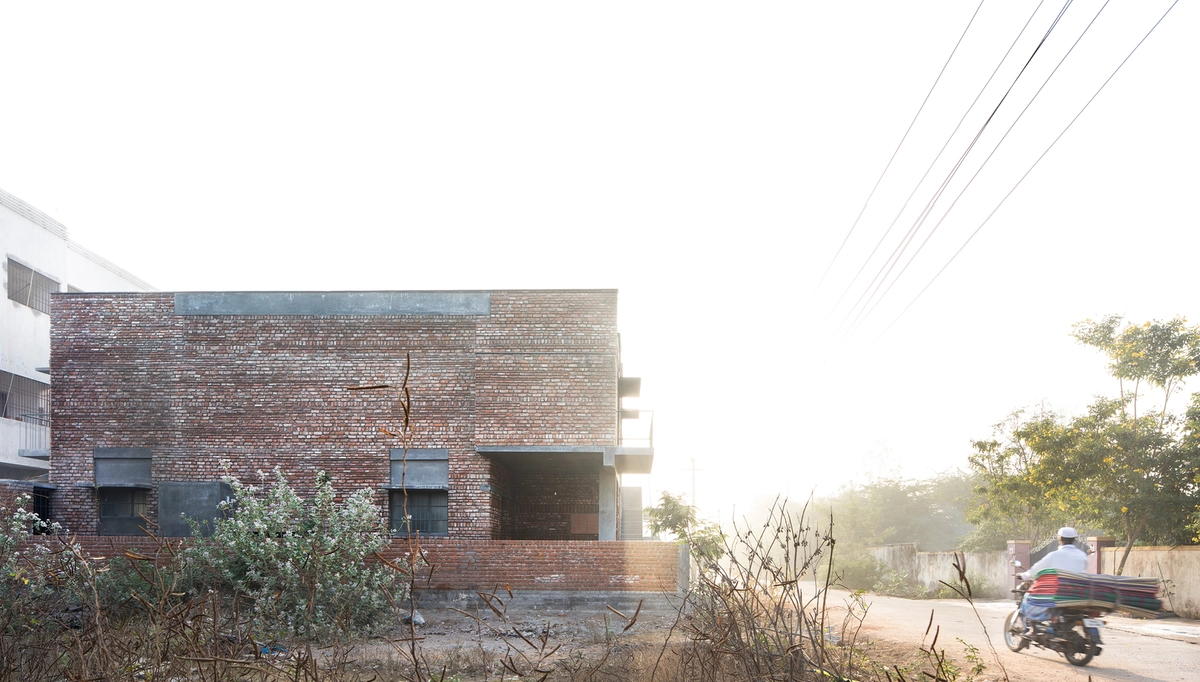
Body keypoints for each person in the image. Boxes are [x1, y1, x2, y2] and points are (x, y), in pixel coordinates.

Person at [1018, 527, 1089, 627]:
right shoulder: (1083, 556)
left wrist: (1024, 575)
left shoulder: (1054, 555)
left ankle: (1032, 629)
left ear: (1060, 538)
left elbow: (1036, 569)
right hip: (1077, 594)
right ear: (1074, 539)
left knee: (1029, 598)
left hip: (1058, 594)